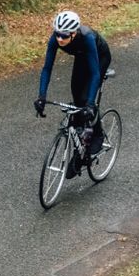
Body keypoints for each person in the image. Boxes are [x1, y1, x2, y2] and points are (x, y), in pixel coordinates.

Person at [35, 9, 112, 166]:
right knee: (77, 98)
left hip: (100, 56)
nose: (59, 38)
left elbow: (95, 74)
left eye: (64, 35)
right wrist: (41, 96)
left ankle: (97, 135)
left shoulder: (87, 37)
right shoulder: (55, 40)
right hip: (81, 57)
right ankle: (81, 148)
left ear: (74, 33)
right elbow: (47, 68)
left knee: (85, 100)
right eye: (57, 34)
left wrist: (90, 104)